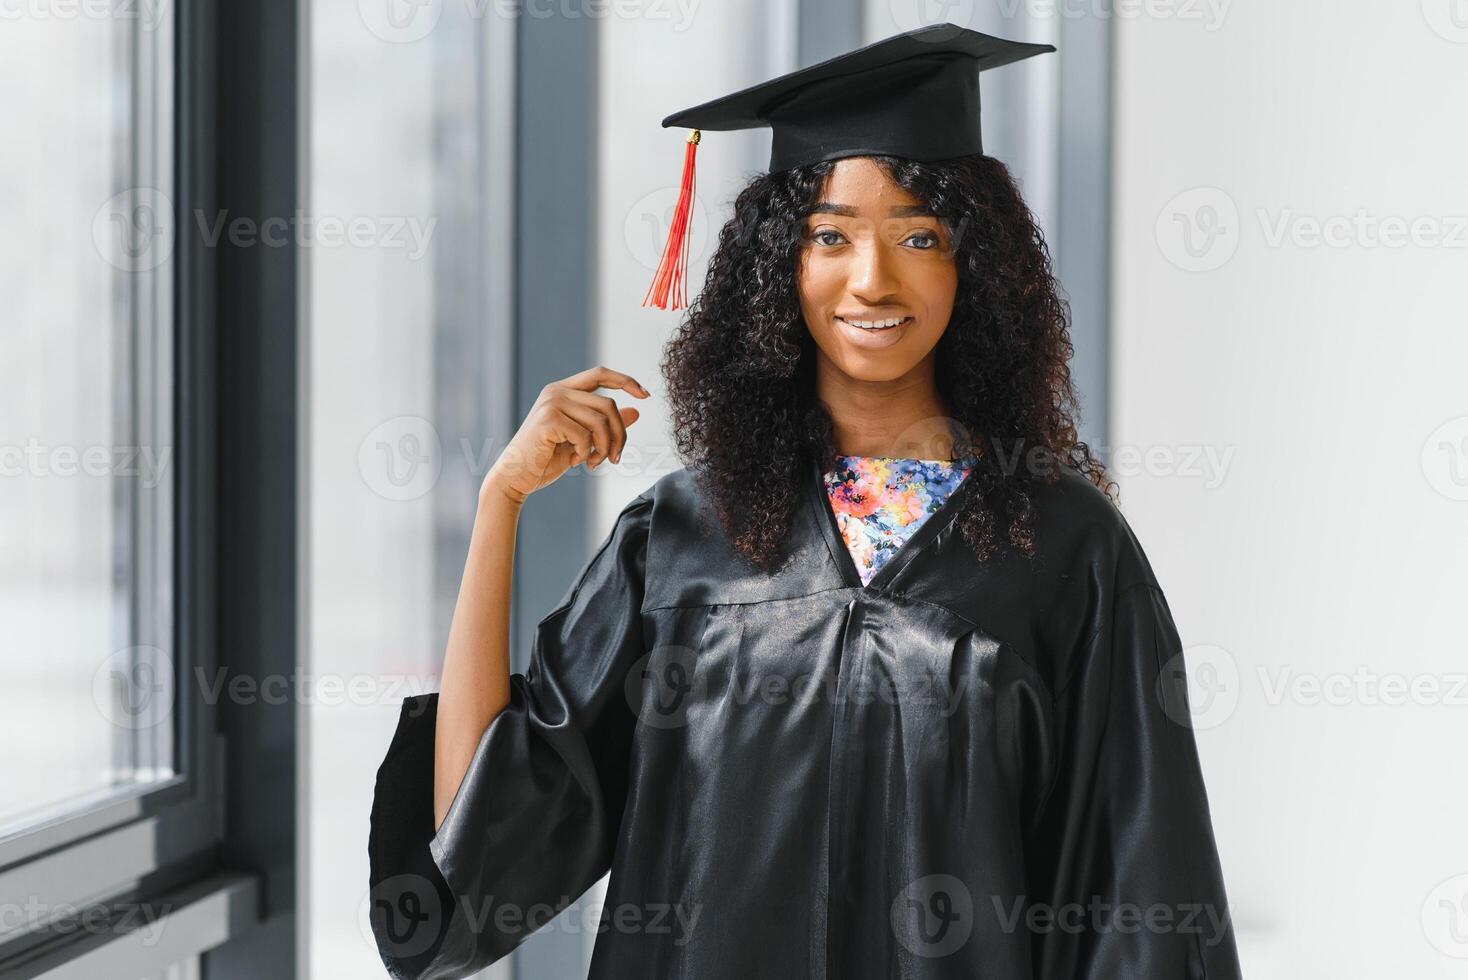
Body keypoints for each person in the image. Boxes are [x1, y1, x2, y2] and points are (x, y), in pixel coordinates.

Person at [367, 23, 1244, 980]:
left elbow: (1144, 901)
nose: (872, 278)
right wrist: (500, 505)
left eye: (919, 235)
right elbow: (480, 842)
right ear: (779, 264)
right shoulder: (679, 542)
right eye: (831, 235)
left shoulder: (1069, 551)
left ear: (976, 267)